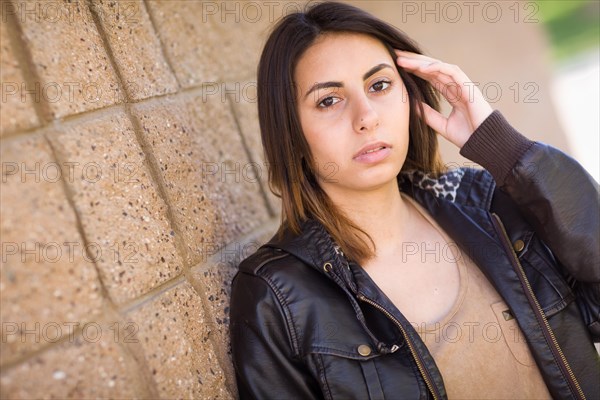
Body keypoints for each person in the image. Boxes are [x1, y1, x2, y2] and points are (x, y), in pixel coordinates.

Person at [229, 2, 600, 399]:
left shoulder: (486, 206)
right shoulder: (278, 296)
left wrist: (506, 151)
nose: (366, 116)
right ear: (291, 132)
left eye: (379, 85)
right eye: (328, 100)